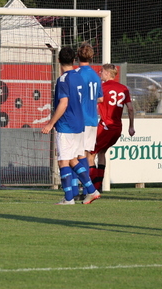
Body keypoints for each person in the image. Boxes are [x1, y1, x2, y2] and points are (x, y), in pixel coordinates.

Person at [40, 46, 98, 205]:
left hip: (66, 124)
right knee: (73, 159)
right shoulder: (79, 77)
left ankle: (68, 198)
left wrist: (50, 123)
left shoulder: (63, 79)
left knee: (63, 162)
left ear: (58, 60)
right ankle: (92, 190)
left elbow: (63, 103)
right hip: (80, 124)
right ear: (73, 60)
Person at [89, 63, 135, 192]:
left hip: (105, 127)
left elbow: (93, 101)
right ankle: (99, 185)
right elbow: (130, 109)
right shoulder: (124, 88)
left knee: (89, 154)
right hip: (117, 129)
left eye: (102, 71)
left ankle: (94, 187)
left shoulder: (102, 87)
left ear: (108, 73)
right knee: (101, 152)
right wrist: (131, 127)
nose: (100, 73)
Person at [74, 42, 103, 204]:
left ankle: (79, 190)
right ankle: (86, 191)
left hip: (81, 119)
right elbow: (100, 98)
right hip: (93, 119)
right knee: (84, 154)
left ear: (77, 56)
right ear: (92, 57)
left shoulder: (77, 73)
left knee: (75, 155)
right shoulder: (95, 75)